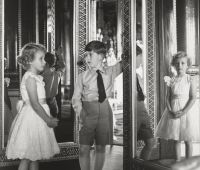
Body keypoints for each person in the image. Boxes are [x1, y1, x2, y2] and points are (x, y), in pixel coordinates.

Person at [6, 43, 60, 170]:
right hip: (33, 118)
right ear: (30, 61)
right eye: (41, 58)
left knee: (35, 156)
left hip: (38, 117)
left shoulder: (37, 77)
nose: (44, 61)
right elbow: (35, 104)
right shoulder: (30, 78)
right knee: (28, 156)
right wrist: (48, 119)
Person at [72, 41, 122, 170]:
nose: (87, 58)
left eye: (90, 55)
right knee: (84, 148)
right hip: (88, 112)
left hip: (105, 111)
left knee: (100, 147)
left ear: (100, 56)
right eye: (85, 55)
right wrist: (81, 113)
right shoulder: (82, 77)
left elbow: (126, 62)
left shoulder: (111, 71)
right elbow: (76, 98)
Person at [155, 51, 199, 161]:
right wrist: (170, 110)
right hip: (173, 110)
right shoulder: (171, 80)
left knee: (188, 139)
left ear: (187, 65)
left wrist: (183, 111)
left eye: (183, 63)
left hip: (187, 111)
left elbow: (193, 97)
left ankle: (188, 163)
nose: (180, 66)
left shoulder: (190, 79)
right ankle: (178, 161)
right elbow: (167, 97)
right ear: (174, 65)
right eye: (177, 63)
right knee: (176, 139)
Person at [136, 46, 156, 160]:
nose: (142, 59)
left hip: (142, 112)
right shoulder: (126, 77)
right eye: (140, 56)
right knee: (131, 144)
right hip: (134, 113)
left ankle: (142, 165)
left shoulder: (137, 76)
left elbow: (142, 94)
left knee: (150, 142)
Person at [42, 47, 65, 118]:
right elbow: (63, 66)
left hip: (43, 104)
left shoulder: (40, 75)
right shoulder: (57, 73)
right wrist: (60, 54)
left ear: (45, 63)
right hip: (53, 104)